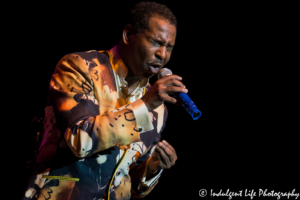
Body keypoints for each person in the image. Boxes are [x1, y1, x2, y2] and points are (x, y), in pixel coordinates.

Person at [23, 1, 188, 200]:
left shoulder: (158, 107)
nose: (163, 55)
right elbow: (80, 140)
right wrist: (145, 104)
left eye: (169, 47)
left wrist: (153, 166)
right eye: (156, 42)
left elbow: (131, 187)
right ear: (128, 35)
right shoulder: (79, 67)